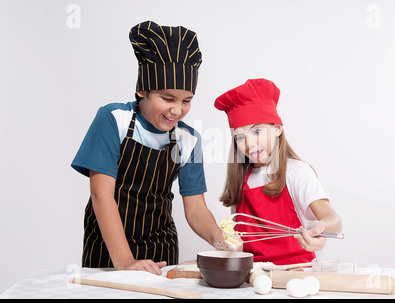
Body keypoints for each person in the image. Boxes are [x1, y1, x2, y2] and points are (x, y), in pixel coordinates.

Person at [71, 20, 227, 274]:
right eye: (167, 98)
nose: (177, 110)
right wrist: (125, 261)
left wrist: (221, 241)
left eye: (187, 101)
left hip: (161, 250)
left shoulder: (189, 139)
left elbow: (196, 207)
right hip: (108, 250)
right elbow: (102, 195)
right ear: (142, 89)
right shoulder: (114, 120)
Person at [214, 78, 342, 265]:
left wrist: (321, 227)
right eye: (240, 137)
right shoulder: (241, 180)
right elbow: (240, 240)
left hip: (297, 270)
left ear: (277, 129)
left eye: (256, 131)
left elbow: (334, 220)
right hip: (252, 275)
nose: (249, 144)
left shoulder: (297, 172)